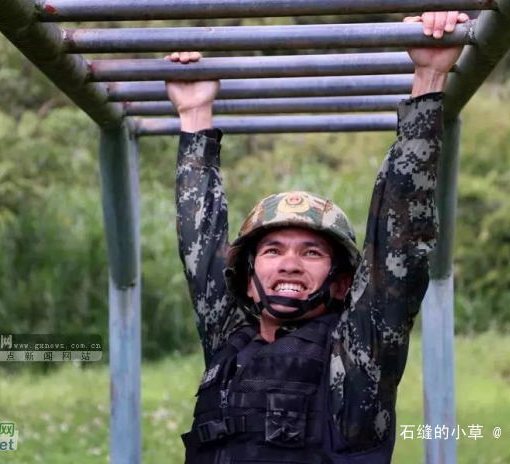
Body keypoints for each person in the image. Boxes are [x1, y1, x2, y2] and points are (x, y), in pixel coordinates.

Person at [167, 11, 469, 463]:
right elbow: (200, 245)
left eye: (311, 252)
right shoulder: (231, 341)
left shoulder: (357, 356)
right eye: (272, 250)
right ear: (249, 279)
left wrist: (428, 78)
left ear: (343, 282)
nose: (289, 264)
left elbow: (399, 239)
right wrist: (194, 115)